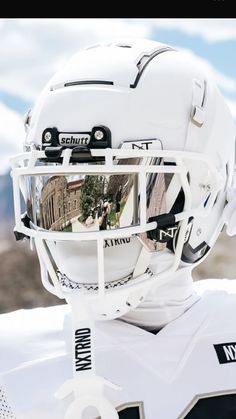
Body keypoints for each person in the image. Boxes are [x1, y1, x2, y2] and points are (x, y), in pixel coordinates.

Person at [1, 38, 236, 419]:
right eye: (58, 197)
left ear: (205, 192)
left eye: (117, 197)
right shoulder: (9, 361)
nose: (82, 232)